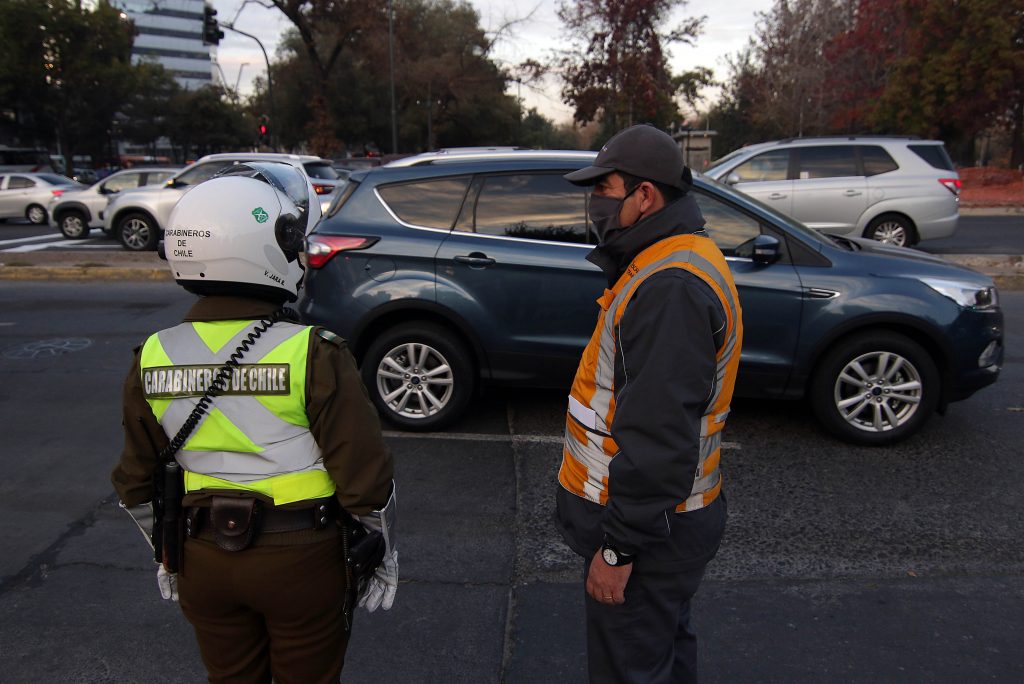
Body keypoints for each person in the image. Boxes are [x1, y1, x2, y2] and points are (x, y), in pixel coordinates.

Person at [111, 162, 397, 684]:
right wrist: (380, 548)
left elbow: (134, 481)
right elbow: (365, 477)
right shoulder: (311, 352)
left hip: (200, 557)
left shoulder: (152, 355)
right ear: (265, 249)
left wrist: (167, 552)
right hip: (301, 557)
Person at [555, 124, 744, 683]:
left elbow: (658, 435)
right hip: (667, 528)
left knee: (632, 668)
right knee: (661, 655)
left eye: (605, 189)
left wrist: (618, 551)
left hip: (651, 538)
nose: (596, 204)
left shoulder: (671, 285)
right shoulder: (669, 258)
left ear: (645, 196)